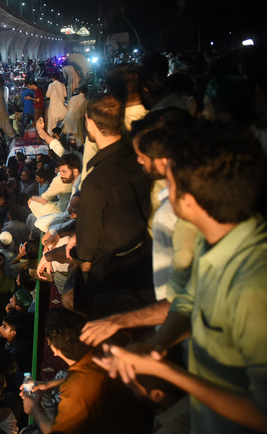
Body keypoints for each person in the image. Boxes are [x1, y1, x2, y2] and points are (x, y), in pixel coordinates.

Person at [97, 123, 267, 433]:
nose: (165, 191)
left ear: (190, 200)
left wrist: (168, 372)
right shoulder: (213, 236)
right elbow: (189, 300)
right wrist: (157, 344)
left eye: (171, 183)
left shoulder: (253, 286)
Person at [70, 93, 153, 313]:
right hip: (143, 259)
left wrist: (85, 273)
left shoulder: (96, 182)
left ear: (90, 122)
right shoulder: (137, 155)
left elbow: (86, 255)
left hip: (109, 272)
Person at [21, 308, 152, 433]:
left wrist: (34, 409)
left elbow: (57, 433)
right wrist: (48, 385)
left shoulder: (77, 389)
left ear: (54, 349)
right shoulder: (100, 348)